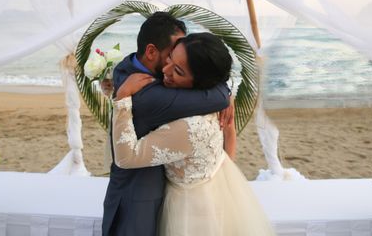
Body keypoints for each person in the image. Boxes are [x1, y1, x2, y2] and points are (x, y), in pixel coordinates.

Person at [112, 32, 275, 236]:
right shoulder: (214, 100)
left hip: (190, 206)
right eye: (170, 57)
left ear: (200, 83)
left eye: (178, 71)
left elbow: (127, 157)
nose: (165, 70)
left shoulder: (188, 127)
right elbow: (230, 132)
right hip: (221, 182)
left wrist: (122, 99)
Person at [102, 13, 231, 236]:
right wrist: (226, 93)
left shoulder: (128, 66)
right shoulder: (149, 97)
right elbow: (216, 97)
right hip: (138, 200)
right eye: (172, 53)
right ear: (151, 51)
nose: (175, 60)